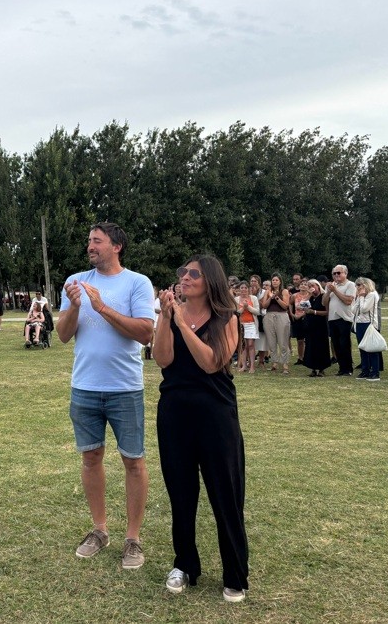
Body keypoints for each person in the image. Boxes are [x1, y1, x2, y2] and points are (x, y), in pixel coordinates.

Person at [57, 222, 155, 571]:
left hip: (124, 389)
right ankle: (99, 530)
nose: (90, 246)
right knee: (91, 458)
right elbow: (64, 335)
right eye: (88, 241)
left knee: (134, 461)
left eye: (97, 241)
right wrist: (73, 307)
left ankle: (133, 538)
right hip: (84, 387)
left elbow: (146, 332)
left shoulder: (137, 282)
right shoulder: (75, 282)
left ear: (117, 246)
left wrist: (102, 309)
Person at [153, 255, 248, 603]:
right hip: (174, 413)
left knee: (226, 494)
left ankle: (235, 572)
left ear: (210, 281)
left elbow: (211, 362)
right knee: (181, 493)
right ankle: (185, 564)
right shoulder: (171, 315)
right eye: (183, 272)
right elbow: (162, 358)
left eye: (193, 273)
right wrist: (167, 319)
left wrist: (180, 320)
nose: (185, 277)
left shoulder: (226, 318)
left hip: (216, 416)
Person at [322, 265, 356, 376]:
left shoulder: (350, 285)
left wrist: (335, 291)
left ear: (345, 273)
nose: (336, 275)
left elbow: (348, 301)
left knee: (344, 344)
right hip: (332, 318)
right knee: (336, 344)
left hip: (344, 318)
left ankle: (348, 368)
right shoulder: (331, 286)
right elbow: (324, 303)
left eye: (339, 273)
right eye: (334, 273)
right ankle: (341, 368)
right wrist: (328, 291)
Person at [351, 277, 382, 381]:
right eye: (357, 285)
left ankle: (375, 372)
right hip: (359, 323)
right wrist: (358, 298)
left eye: (360, 285)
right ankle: (365, 371)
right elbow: (353, 310)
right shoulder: (360, 296)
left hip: (369, 324)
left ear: (365, 285)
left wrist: (361, 297)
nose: (358, 287)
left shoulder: (372, 295)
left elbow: (364, 309)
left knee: (371, 349)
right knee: (362, 348)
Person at [299, 280, 330, 376]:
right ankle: (312, 368)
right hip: (310, 325)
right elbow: (302, 306)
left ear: (318, 286)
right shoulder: (311, 298)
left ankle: (321, 369)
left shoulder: (323, 297)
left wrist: (314, 312)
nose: (311, 287)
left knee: (321, 346)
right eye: (309, 286)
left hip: (321, 325)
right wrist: (308, 294)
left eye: (312, 285)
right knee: (310, 345)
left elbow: (327, 312)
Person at [262, 274, 291, 374]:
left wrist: (277, 298)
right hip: (269, 316)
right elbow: (264, 305)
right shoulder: (267, 291)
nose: (274, 282)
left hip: (281, 316)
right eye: (273, 280)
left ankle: (285, 364)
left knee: (283, 341)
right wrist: (270, 297)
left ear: (280, 281)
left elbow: (285, 306)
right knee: (271, 341)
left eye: (276, 280)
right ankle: (274, 362)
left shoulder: (284, 291)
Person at [234, 282, 260, 373]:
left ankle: (252, 366)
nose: (244, 289)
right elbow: (236, 313)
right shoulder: (236, 299)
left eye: (245, 287)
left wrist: (248, 306)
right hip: (241, 324)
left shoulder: (254, 298)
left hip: (251, 324)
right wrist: (243, 308)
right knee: (243, 346)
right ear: (239, 289)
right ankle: (244, 365)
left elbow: (257, 312)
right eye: (242, 287)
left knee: (251, 344)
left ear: (248, 289)